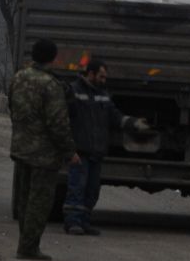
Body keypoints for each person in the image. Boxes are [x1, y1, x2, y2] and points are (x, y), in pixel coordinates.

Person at [9, 37, 78, 261]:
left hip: (21, 148)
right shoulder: (51, 85)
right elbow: (58, 123)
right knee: (39, 202)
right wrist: (70, 152)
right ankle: (28, 247)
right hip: (44, 154)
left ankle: (25, 243)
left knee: (24, 199)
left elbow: (12, 107)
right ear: (53, 58)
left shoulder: (19, 77)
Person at [63, 57, 148, 236]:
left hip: (96, 151)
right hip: (81, 151)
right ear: (91, 74)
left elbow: (115, 116)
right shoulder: (74, 91)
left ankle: (84, 221)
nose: (104, 80)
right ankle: (73, 222)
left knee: (92, 190)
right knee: (77, 187)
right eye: (101, 76)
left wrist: (134, 123)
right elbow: (64, 117)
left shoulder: (103, 94)